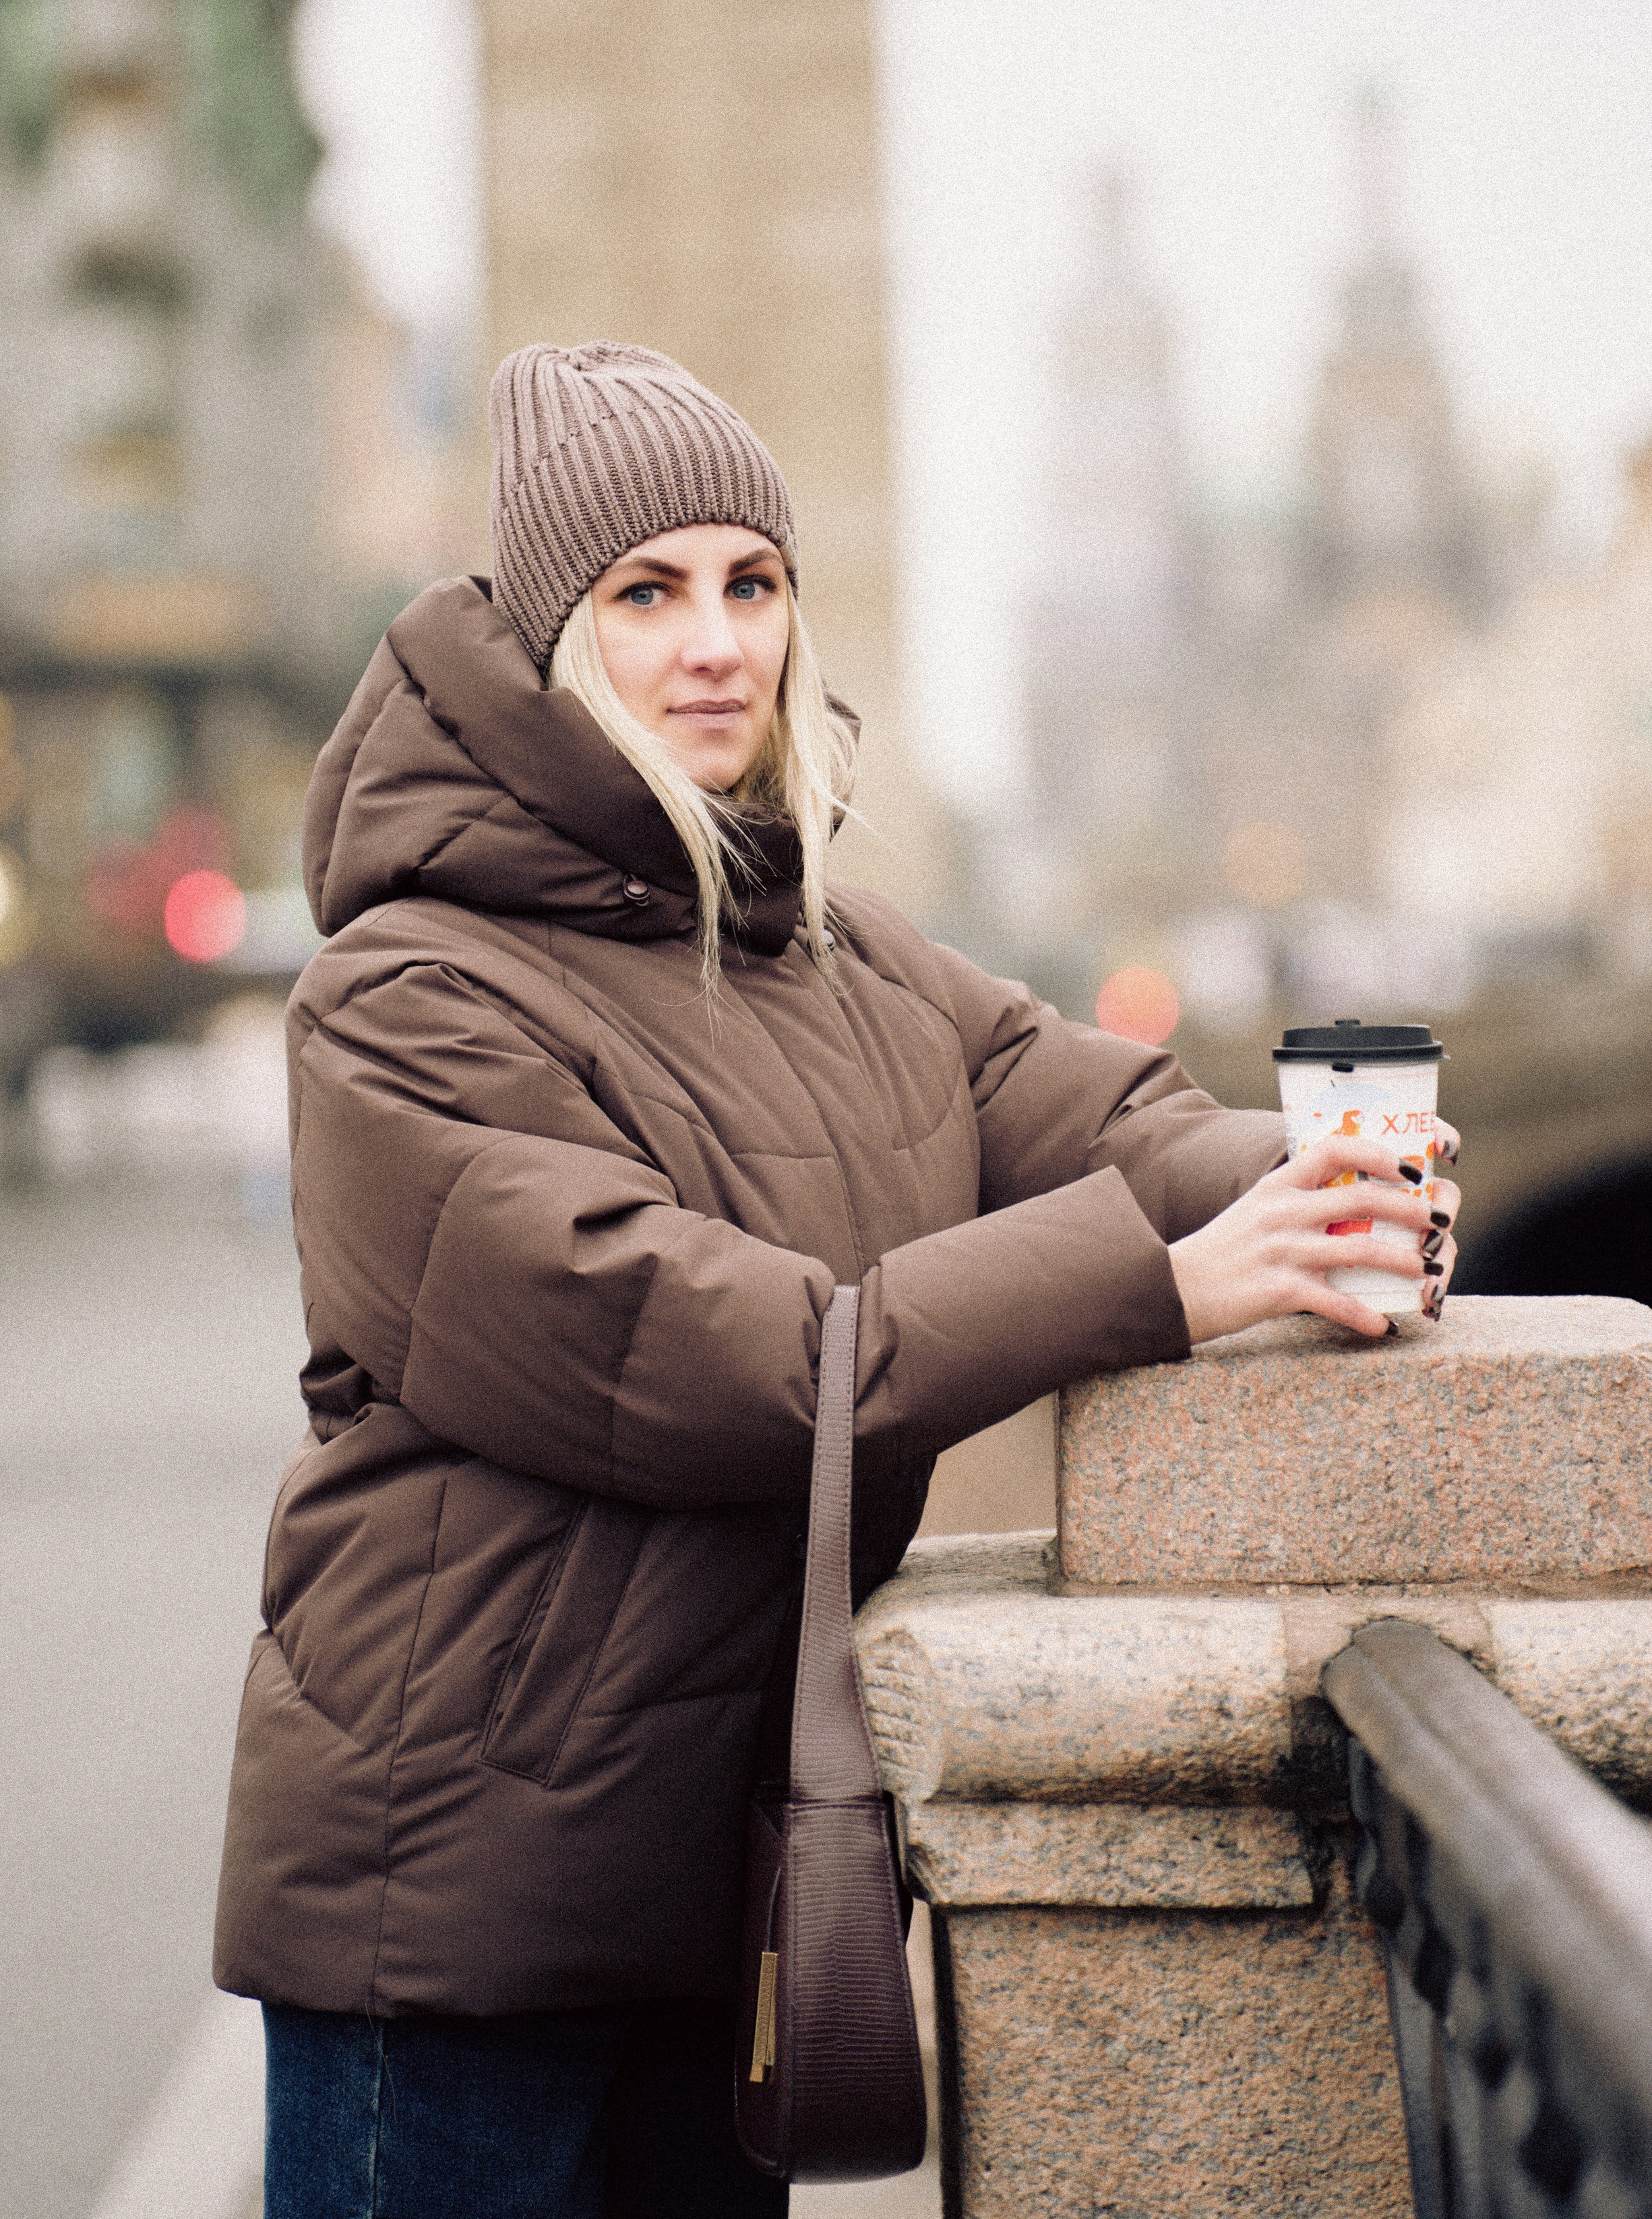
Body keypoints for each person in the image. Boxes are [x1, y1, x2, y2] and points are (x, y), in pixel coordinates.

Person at [214, 341, 1461, 2218]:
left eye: (753, 584)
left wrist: (1330, 1172)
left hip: (728, 1872)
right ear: (551, 632)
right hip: (456, 1901)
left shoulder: (845, 959)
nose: (716, 643)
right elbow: (703, 1351)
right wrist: (1164, 1286)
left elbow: (1107, 1114)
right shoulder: (403, 998)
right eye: (646, 594)